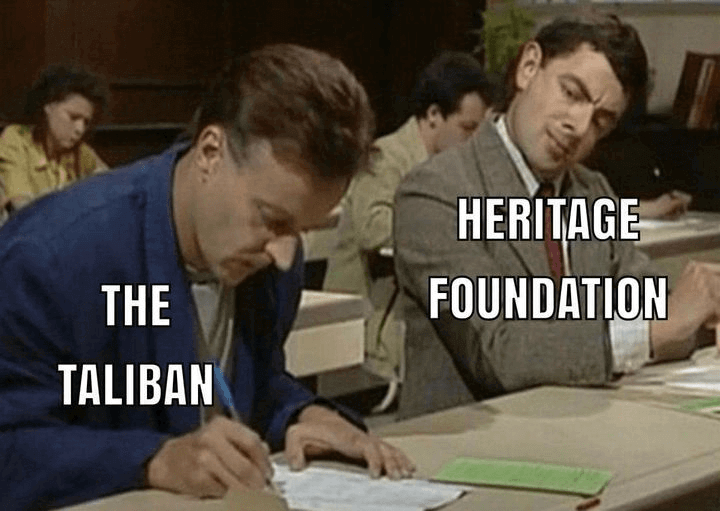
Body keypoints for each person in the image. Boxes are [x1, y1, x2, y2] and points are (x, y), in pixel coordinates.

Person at [0, 45, 414, 511]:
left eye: (302, 230)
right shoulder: (50, 256)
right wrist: (152, 460)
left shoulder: (270, 260)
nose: (284, 256)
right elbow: (10, 445)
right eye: (272, 219)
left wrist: (304, 414)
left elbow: (241, 384)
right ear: (210, 152)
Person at [393, 14, 720, 419]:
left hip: (588, 428)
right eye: (571, 93)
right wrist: (660, 328)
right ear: (529, 67)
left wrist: (701, 308)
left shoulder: (592, 191)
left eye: (601, 121)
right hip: (472, 444)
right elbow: (501, 351)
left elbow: (649, 304)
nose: (578, 127)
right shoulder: (435, 192)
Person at [324, 52, 495, 382]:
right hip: (372, 323)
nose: (474, 142)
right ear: (433, 115)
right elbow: (373, 229)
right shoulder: (385, 158)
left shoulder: (457, 168)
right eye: (467, 128)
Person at [0, 64, 108, 217]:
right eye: (73, 117)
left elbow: (111, 189)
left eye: (86, 122)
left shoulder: (82, 152)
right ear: (49, 106)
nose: (80, 129)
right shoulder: (16, 138)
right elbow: (22, 207)